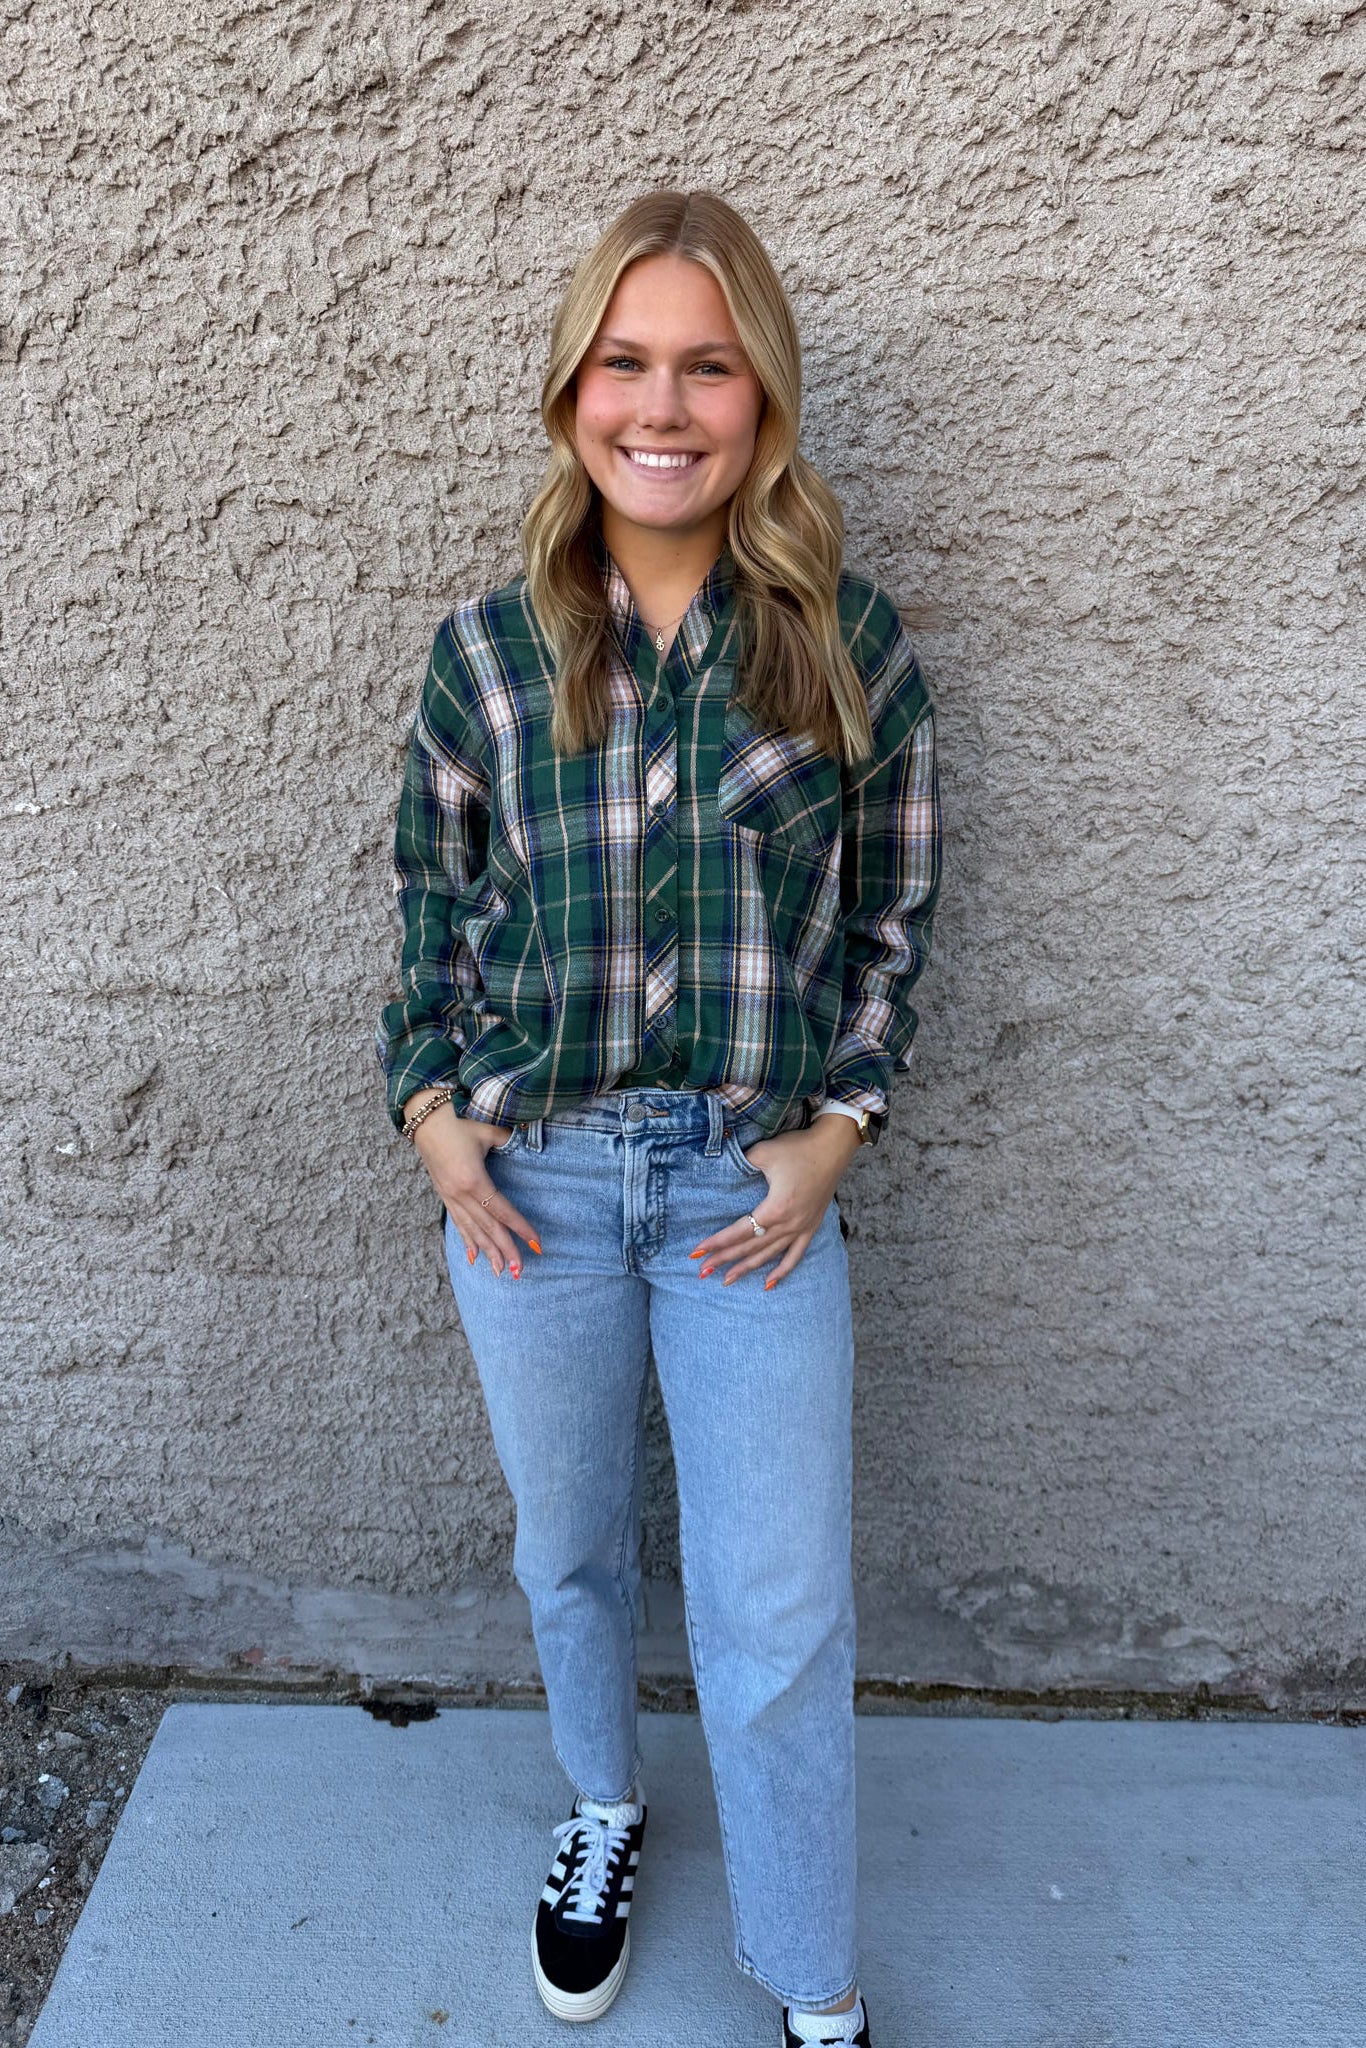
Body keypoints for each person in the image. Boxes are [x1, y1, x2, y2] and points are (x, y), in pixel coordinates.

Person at [376, 189, 942, 2047]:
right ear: (570, 395)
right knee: (571, 1548)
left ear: (762, 400)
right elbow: (432, 918)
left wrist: (836, 1130)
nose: (664, 403)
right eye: (625, 360)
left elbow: (890, 919)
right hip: (524, 1185)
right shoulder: (485, 655)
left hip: (741, 1192)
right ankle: (602, 1806)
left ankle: (813, 1985)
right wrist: (435, 1117)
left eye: (708, 364)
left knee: (775, 1611)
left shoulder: (842, 645)